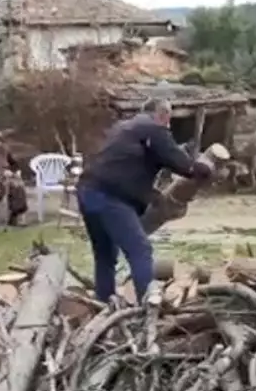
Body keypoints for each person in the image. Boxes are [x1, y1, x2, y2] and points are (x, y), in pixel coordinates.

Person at [77, 98, 212, 305]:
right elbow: (178, 160)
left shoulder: (122, 128)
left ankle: (103, 303)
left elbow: (123, 167)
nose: (168, 125)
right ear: (163, 115)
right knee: (140, 249)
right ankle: (146, 305)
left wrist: (150, 193)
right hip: (110, 196)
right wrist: (199, 169)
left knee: (105, 254)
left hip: (87, 192)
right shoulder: (154, 129)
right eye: (169, 119)